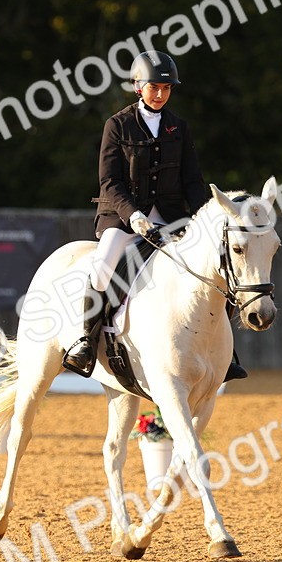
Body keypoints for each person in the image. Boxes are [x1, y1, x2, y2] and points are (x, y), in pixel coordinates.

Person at [62, 50, 247, 381]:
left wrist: (204, 218)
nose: (160, 94)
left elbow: (192, 181)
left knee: (217, 263)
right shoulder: (117, 125)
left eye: (166, 88)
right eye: (154, 87)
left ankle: (225, 353)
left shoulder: (179, 127)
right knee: (103, 266)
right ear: (138, 87)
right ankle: (86, 341)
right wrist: (133, 215)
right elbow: (110, 181)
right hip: (123, 217)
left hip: (171, 217)